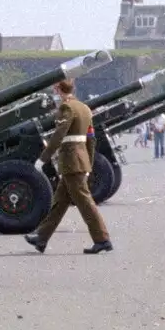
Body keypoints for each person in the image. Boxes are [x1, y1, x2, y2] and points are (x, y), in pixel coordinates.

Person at [25, 79, 111, 254]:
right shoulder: (85, 108)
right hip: (79, 160)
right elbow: (91, 139)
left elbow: (58, 135)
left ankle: (102, 239)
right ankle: (41, 238)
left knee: (85, 201)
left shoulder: (67, 108)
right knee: (60, 201)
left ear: (58, 89)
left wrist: (44, 158)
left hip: (71, 161)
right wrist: (89, 163)